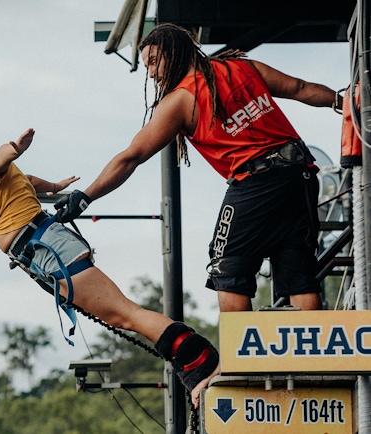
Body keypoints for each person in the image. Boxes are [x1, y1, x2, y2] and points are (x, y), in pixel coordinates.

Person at [0, 116, 219, 406]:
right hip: (44, 253)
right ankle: (195, 361)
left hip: (49, 248)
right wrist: (53, 186)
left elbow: (0, 158)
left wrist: (14, 149)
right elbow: (26, 180)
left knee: (124, 314)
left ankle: (201, 360)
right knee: (121, 315)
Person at [55, 23, 341, 313]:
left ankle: (238, 357)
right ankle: (312, 357)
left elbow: (132, 156)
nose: (151, 73)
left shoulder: (180, 99)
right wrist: (345, 102)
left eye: (153, 62)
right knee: (299, 275)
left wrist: (85, 196)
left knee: (227, 269)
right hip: (299, 173)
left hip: (258, 181)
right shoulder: (242, 67)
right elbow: (301, 88)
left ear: (175, 52)